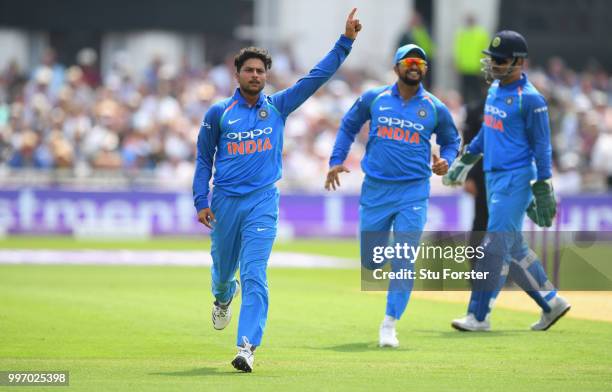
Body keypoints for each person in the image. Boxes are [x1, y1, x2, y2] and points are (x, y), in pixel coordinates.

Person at [192, 9, 361, 372]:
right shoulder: (219, 113)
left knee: (254, 271)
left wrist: (345, 42)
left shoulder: (278, 106)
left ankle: (246, 346)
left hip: (262, 201)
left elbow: (316, 78)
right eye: (249, 70)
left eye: (260, 71)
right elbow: (204, 161)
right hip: (224, 201)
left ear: (266, 76)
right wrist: (200, 201)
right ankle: (223, 297)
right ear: (237, 75)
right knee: (224, 273)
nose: (255, 75)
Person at [325, 44, 460, 347]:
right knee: (372, 262)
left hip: (414, 191)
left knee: (403, 258)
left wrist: (446, 161)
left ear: (425, 70)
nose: (415, 66)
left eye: (421, 63)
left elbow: (452, 141)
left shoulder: (435, 107)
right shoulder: (376, 98)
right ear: (397, 66)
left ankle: (390, 323)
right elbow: (348, 126)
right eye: (409, 61)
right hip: (376, 189)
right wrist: (336, 160)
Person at [443, 30, 570, 332]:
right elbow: (488, 132)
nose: (494, 65)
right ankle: (551, 303)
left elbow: (542, 147)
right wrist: (466, 160)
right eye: (492, 59)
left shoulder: (532, 100)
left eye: (500, 60)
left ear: (519, 62)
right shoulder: (494, 92)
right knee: (514, 250)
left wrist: (543, 185)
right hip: (493, 178)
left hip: (515, 179)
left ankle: (479, 316)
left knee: (493, 248)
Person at [454, 14, 489, 105]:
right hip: (464, 67)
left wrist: (483, 65)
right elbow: (458, 49)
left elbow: (484, 51)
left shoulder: (481, 34)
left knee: (476, 91)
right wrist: (457, 63)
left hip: (476, 68)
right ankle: (465, 109)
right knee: (464, 91)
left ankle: (478, 108)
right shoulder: (462, 33)